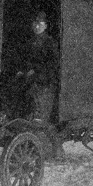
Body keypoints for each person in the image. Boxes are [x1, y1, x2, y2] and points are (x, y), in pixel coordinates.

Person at [20, 11, 64, 159]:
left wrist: (35, 72)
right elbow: (26, 61)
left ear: (45, 26)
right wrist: (23, 71)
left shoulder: (50, 43)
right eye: (34, 23)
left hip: (45, 84)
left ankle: (58, 150)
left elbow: (52, 65)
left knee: (42, 119)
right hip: (32, 83)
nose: (36, 26)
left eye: (39, 23)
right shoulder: (31, 41)